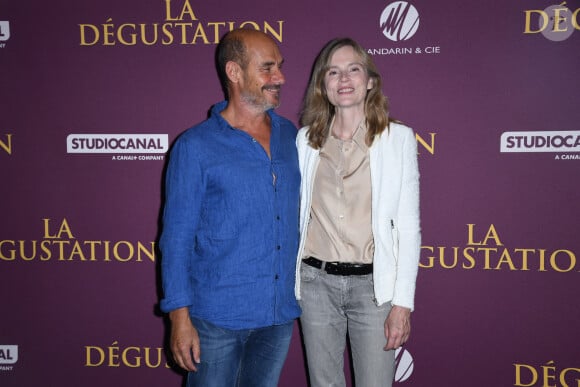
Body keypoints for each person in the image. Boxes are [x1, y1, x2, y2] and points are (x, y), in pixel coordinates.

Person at [159, 28, 301, 387]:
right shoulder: (195, 146)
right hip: (215, 319)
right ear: (234, 72)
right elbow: (176, 238)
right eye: (267, 68)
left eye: (280, 67)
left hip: (277, 315)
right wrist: (179, 317)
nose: (280, 77)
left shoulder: (291, 136)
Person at [294, 37, 421, 387]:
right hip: (315, 285)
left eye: (353, 69)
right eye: (333, 72)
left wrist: (402, 304)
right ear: (323, 85)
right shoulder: (305, 141)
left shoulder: (398, 139)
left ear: (370, 81)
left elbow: (408, 229)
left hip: (373, 289)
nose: (344, 79)